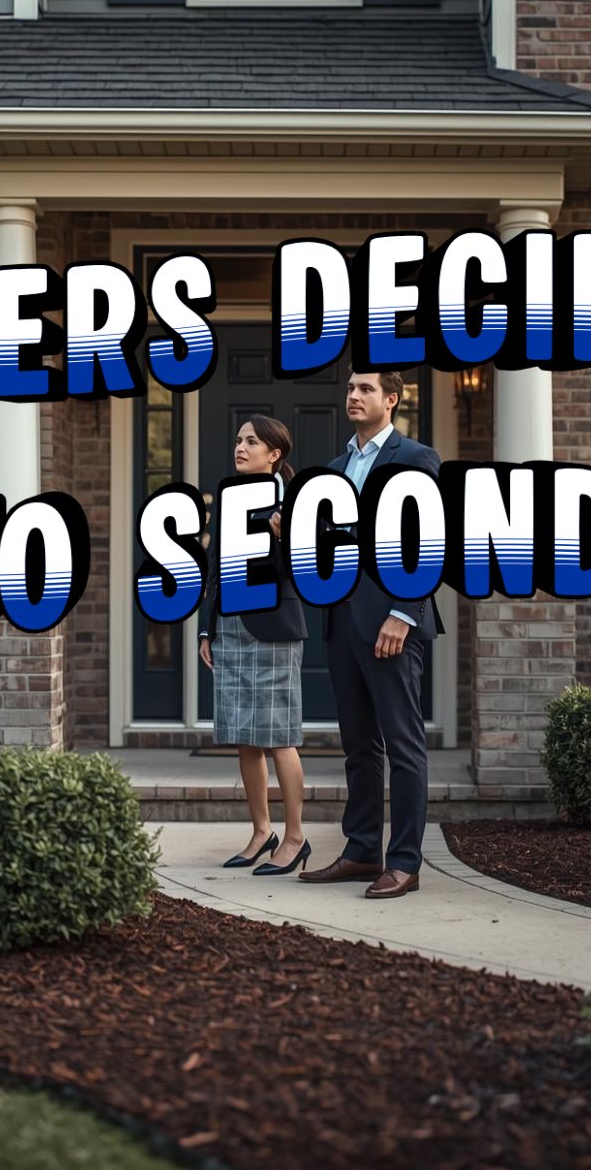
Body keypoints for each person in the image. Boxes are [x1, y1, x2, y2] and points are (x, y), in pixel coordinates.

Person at [295, 368, 444, 899]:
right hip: (342, 622)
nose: (353, 396)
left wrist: (404, 613)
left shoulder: (415, 459)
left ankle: (405, 861)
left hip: (392, 624)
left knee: (404, 746)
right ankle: (361, 851)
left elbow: (428, 538)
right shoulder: (334, 471)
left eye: (365, 390)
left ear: (392, 399)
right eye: (350, 389)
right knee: (358, 746)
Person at [198, 415, 311, 876]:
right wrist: (208, 629)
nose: (240, 447)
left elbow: (310, 572)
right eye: (238, 439)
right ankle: (261, 830)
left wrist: (288, 536)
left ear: (274, 454)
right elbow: (217, 570)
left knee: (279, 738)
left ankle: (297, 836)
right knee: (244, 738)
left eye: (251, 441)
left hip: (274, 628)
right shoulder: (231, 502)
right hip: (231, 627)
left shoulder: (294, 503)